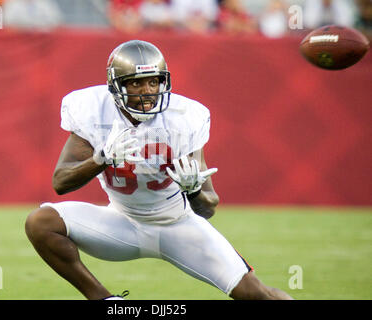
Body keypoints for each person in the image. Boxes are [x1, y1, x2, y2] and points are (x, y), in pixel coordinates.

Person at [25, 40, 293, 300]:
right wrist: (102, 158)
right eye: (136, 82)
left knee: (258, 294)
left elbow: (208, 208)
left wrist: (195, 189)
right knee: (40, 222)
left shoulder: (184, 117)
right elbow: (60, 182)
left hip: (178, 225)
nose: (147, 90)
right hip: (122, 223)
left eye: (154, 81)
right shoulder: (93, 109)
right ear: (116, 85)